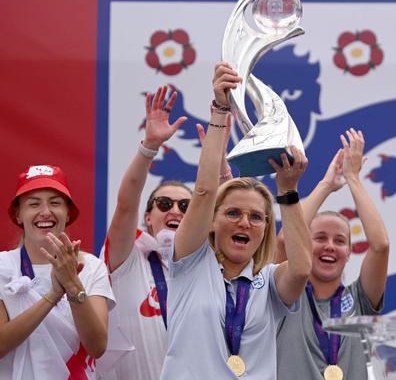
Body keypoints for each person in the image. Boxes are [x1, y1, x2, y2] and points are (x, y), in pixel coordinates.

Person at [159, 62, 312, 379]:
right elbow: (203, 192)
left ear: (265, 229)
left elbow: (300, 270)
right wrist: (219, 111)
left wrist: (288, 190)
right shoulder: (190, 263)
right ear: (211, 223)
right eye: (233, 213)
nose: (245, 222)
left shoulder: (267, 282)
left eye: (256, 217)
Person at [276, 129, 390, 380]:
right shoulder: (285, 297)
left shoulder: (360, 300)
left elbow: (380, 245)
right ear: (304, 243)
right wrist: (326, 185)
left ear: (349, 252)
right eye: (319, 238)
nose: (329, 246)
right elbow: (285, 239)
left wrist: (353, 179)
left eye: (339, 241)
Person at [98, 85, 192, 380]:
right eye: (165, 203)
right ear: (148, 217)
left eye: (186, 205)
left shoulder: (207, 265)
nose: (175, 210)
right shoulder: (129, 257)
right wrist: (149, 147)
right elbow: (126, 205)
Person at [0, 165, 115, 379]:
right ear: (18, 215)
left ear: (67, 213)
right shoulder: (2, 266)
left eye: (55, 203)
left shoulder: (91, 267)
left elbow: (97, 346)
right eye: (34, 204)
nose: (45, 211)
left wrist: (72, 286)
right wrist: (53, 295)